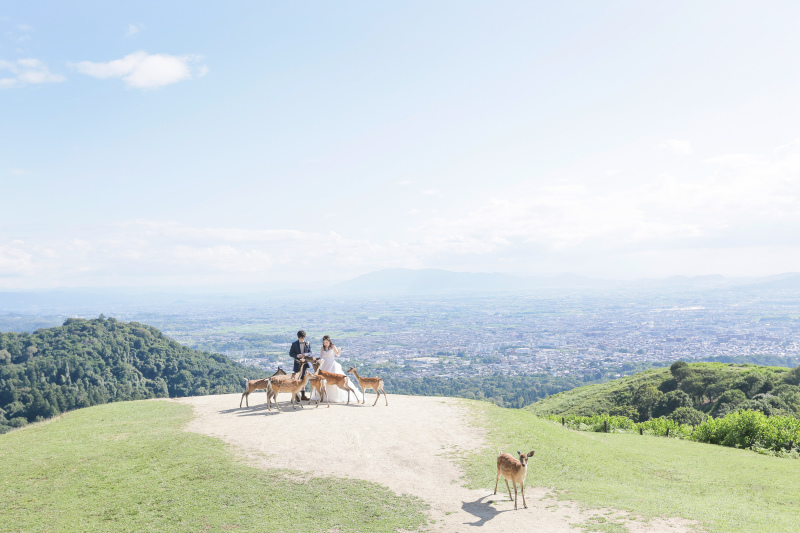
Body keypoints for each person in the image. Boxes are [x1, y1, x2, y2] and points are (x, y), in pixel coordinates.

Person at [312, 335, 363, 403]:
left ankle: (336, 397)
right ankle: (323, 397)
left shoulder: (333, 347)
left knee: (336, 380)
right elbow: (321, 357)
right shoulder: (322, 348)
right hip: (325, 365)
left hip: (332, 364)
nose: (325, 344)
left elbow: (338, 355)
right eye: (324, 343)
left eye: (326, 342)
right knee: (323, 381)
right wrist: (320, 361)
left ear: (329, 342)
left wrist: (339, 350)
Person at [289, 330, 312, 401]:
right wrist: (297, 355)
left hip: (304, 364)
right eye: (301, 338)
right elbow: (290, 354)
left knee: (303, 379)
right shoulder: (294, 344)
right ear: (298, 337)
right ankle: (296, 395)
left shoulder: (307, 343)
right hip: (297, 363)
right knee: (296, 380)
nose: (303, 339)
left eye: (303, 338)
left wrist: (306, 354)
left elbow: (310, 352)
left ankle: (303, 395)